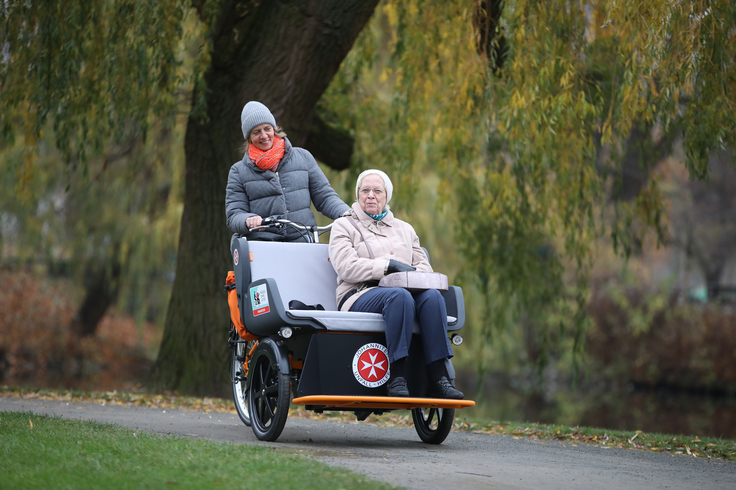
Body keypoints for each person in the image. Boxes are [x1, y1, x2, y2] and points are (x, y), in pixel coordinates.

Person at [328, 169, 464, 399]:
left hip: (405, 291)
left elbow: (424, 267)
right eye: (365, 190)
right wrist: (388, 266)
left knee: (432, 297)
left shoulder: (405, 228)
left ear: (386, 196)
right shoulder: (344, 225)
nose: (370, 195)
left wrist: (408, 275)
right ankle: (397, 377)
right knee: (398, 296)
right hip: (360, 293)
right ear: (358, 194)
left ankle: (438, 377)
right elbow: (346, 267)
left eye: (377, 191)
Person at [226, 101, 349, 241]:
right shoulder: (238, 171)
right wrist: (247, 220)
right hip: (264, 246)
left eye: (267, 128)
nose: (264, 135)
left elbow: (325, 197)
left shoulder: (303, 157)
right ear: (249, 137)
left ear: (274, 129)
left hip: (304, 241)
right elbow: (234, 215)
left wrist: (347, 215)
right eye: (256, 132)